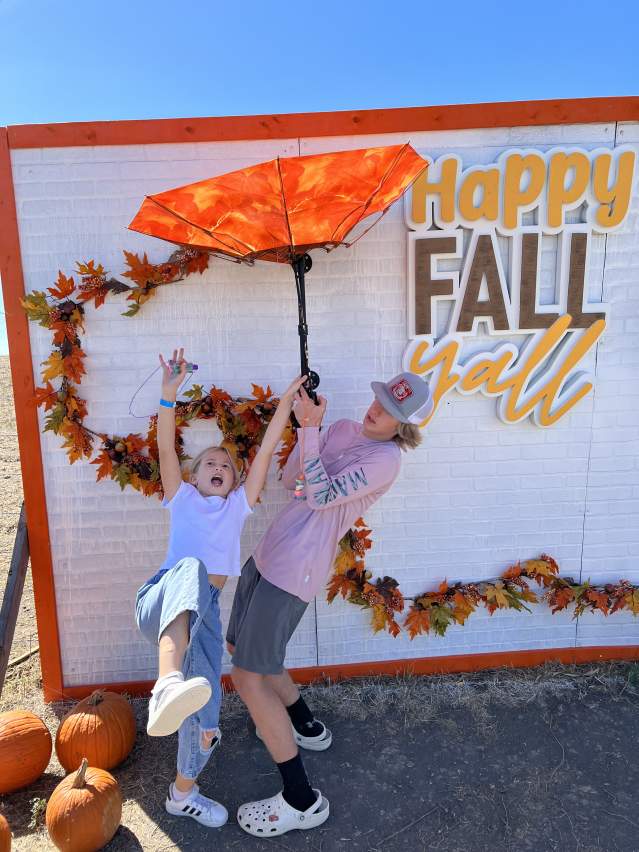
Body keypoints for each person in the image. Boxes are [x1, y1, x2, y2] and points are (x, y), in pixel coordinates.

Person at [227, 371, 433, 838]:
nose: (375, 410)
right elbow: (290, 481)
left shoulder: (384, 462)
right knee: (243, 645)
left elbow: (319, 496)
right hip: (269, 552)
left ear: (404, 428)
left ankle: (300, 800)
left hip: (296, 568)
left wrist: (309, 431)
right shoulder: (340, 429)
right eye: (379, 399)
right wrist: (311, 430)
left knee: (246, 675)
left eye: (390, 411)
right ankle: (304, 724)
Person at [135, 348, 305, 829]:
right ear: (192, 477)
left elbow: (266, 452)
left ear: (233, 483)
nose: (218, 466)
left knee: (206, 716)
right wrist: (169, 396)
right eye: (209, 461)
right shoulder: (181, 498)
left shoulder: (236, 508)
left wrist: (286, 408)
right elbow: (167, 449)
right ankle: (166, 682)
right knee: (191, 566)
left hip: (204, 616)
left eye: (226, 466)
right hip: (162, 598)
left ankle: (181, 792)